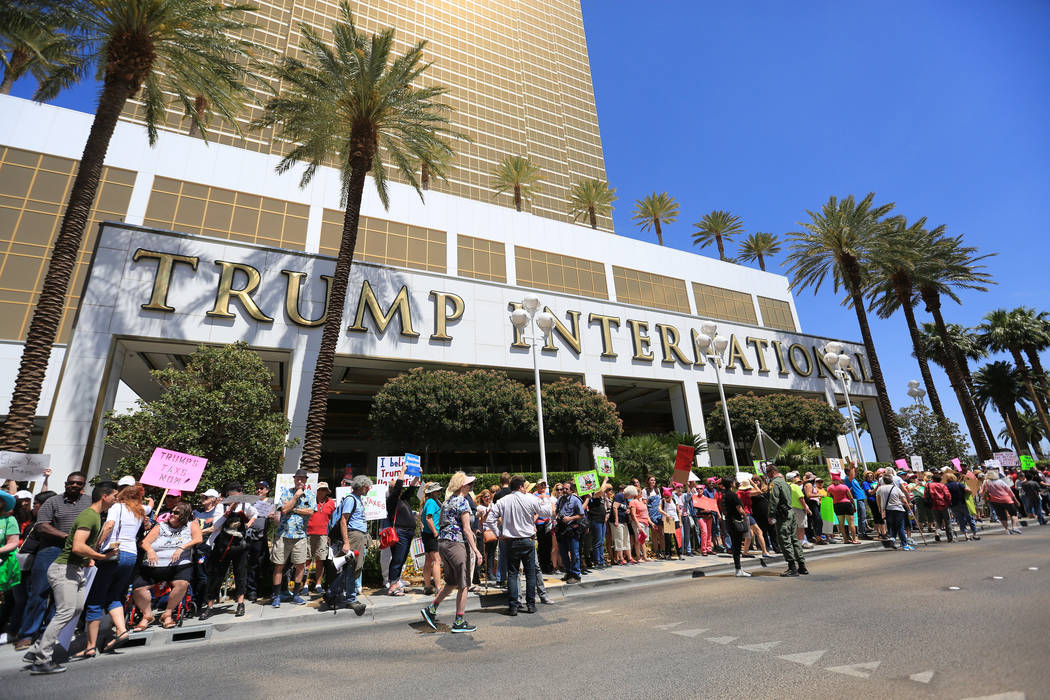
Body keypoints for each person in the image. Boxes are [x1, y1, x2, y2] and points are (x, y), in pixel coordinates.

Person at [25, 482, 120, 675]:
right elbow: (77, 546)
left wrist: (88, 559)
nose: (116, 500)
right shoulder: (90, 516)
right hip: (64, 569)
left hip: (75, 569)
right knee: (65, 612)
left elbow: (80, 548)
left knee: (75, 609)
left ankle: (37, 648)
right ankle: (42, 659)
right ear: (104, 496)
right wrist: (100, 556)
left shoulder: (95, 516)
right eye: (114, 496)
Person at [15, 472, 90, 652]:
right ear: (66, 484)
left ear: (83, 486)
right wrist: (66, 536)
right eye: (71, 483)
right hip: (50, 550)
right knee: (39, 593)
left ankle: (48, 633)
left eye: (79, 484)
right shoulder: (53, 502)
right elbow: (42, 526)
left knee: (61, 597)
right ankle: (27, 634)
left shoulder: (88, 502)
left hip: (74, 554)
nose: (74, 485)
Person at [78, 482, 146, 659]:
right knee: (114, 596)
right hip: (131, 555)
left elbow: (109, 526)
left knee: (95, 598)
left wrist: (97, 545)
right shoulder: (140, 511)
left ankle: (90, 646)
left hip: (114, 553)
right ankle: (121, 630)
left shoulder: (117, 507)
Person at [421, 472, 481, 633]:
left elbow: (441, 522)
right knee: (464, 584)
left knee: (452, 582)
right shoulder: (463, 502)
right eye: (470, 484)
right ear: (462, 486)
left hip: (443, 543)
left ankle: (431, 609)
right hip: (456, 544)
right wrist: (476, 550)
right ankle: (459, 622)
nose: (471, 487)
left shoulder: (447, 502)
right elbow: (467, 529)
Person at [486, 475, 550, 615]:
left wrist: (499, 534)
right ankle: (530, 604)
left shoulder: (503, 500)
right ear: (521, 487)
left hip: (511, 541)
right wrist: (545, 499)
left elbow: (490, 519)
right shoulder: (530, 498)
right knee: (530, 573)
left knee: (513, 573)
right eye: (524, 486)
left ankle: (514, 606)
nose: (525, 489)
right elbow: (547, 512)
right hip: (527, 539)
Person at [132, 503, 201, 631]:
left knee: (182, 583)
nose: (171, 515)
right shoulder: (161, 526)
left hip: (179, 565)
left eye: (176, 513)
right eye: (171, 512)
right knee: (138, 588)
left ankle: (167, 614)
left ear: (184, 516)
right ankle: (147, 615)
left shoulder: (191, 525)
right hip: (154, 564)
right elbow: (144, 542)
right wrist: (150, 551)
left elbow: (198, 539)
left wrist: (182, 548)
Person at [199, 482, 257, 620]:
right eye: (235, 492)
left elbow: (255, 513)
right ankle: (210, 605)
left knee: (240, 573)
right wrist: (227, 513)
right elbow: (216, 526)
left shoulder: (245, 505)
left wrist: (249, 523)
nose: (239, 494)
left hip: (240, 545)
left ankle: (240, 603)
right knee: (217, 574)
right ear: (229, 494)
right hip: (222, 546)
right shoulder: (221, 506)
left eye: (240, 492)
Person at [271, 469, 315, 607]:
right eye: (297, 478)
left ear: (306, 480)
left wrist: (294, 509)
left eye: (302, 478)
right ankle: (276, 596)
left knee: (300, 566)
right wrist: (295, 497)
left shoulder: (310, 495)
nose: (299, 481)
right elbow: (284, 509)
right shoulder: (286, 493)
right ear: (294, 479)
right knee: (279, 565)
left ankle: (296, 595)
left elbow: (311, 511)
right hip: (283, 535)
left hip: (300, 536)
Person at [767, 465, 808, 576]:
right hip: (790, 512)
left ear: (772, 472)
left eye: (768, 472)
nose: (767, 475)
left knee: (784, 539)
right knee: (794, 539)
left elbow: (774, 499)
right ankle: (802, 565)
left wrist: (771, 515)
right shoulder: (785, 483)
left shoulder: (775, 483)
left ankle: (792, 567)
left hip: (782, 515)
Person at [385, 477, 419, 596]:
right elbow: (398, 486)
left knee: (402, 559)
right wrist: (403, 471)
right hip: (400, 533)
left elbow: (411, 489)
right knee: (397, 559)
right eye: (398, 489)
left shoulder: (402, 499)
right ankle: (392, 586)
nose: (401, 490)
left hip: (407, 533)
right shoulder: (391, 501)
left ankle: (396, 582)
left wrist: (417, 476)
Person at [556, 480, 586, 582]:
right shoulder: (560, 499)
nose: (564, 490)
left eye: (566, 489)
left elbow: (581, 515)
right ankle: (568, 572)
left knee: (574, 553)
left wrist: (570, 518)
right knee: (563, 553)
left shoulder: (575, 500)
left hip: (572, 529)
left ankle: (576, 575)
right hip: (562, 529)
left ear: (572, 490)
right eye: (563, 488)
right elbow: (556, 510)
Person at [980, 468, 1023, 535]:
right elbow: (1009, 491)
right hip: (1006, 500)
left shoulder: (986, 482)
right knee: (1013, 514)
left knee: (1002, 516)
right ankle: (1014, 527)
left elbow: (981, 493)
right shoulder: (1000, 481)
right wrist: (1016, 500)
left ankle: (1007, 529)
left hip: (994, 501)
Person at [738, 477, 772, 557]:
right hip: (747, 514)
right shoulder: (746, 493)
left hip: (745, 514)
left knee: (750, 534)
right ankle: (764, 552)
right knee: (759, 532)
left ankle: (745, 552)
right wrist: (753, 483)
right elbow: (759, 491)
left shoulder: (740, 492)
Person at [420, 483, 443, 595]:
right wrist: (435, 532)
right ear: (432, 492)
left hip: (427, 534)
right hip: (431, 535)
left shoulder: (431, 501)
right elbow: (428, 518)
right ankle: (438, 588)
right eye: (437, 490)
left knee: (429, 560)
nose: (439, 492)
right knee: (437, 560)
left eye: (439, 490)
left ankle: (428, 586)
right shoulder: (431, 502)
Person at [877, 473, 910, 549]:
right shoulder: (896, 488)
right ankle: (905, 544)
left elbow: (878, 500)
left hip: (887, 510)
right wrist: (909, 508)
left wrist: (880, 509)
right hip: (898, 509)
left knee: (891, 526)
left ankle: (892, 538)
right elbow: (904, 500)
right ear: (891, 480)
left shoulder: (880, 489)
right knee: (900, 527)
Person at [827, 476, 858, 544]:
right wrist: (854, 506)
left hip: (837, 505)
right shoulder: (844, 487)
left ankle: (845, 539)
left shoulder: (830, 488)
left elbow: (828, 497)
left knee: (841, 524)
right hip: (847, 504)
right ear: (839, 480)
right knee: (851, 523)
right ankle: (854, 539)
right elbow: (851, 497)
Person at [534, 481, 555, 574]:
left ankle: (548, 565)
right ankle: (543, 566)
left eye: (544, 485)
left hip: (548, 522)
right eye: (541, 485)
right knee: (542, 545)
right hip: (539, 523)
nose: (543, 486)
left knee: (549, 544)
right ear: (537, 486)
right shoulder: (535, 495)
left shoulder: (548, 495)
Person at [926, 471, 954, 543]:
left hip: (933, 505)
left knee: (938, 522)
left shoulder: (928, 485)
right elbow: (947, 495)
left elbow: (925, 495)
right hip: (943, 505)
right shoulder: (942, 486)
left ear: (933, 479)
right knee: (947, 521)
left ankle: (938, 533)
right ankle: (950, 537)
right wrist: (949, 503)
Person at [786, 471, 811, 550]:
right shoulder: (795, 486)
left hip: (789, 508)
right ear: (793, 478)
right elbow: (801, 498)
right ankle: (801, 542)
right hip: (798, 508)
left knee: (793, 526)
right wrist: (806, 508)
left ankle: (795, 542)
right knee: (801, 526)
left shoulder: (785, 486)